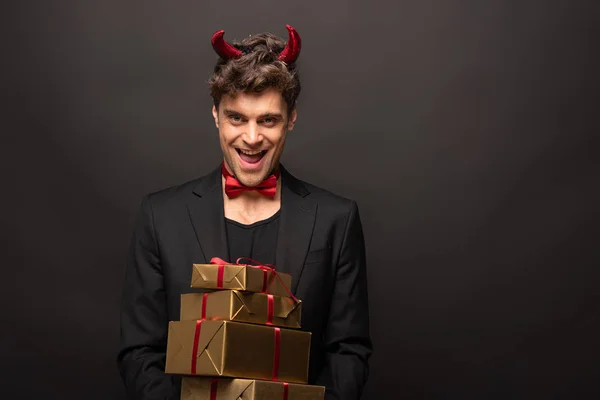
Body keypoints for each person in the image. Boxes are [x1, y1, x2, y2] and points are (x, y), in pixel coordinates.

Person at [117, 25, 372, 400]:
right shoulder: (161, 216)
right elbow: (139, 352)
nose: (251, 139)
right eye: (237, 118)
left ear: (292, 119)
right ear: (216, 115)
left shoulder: (337, 220)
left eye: (267, 120)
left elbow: (349, 353)